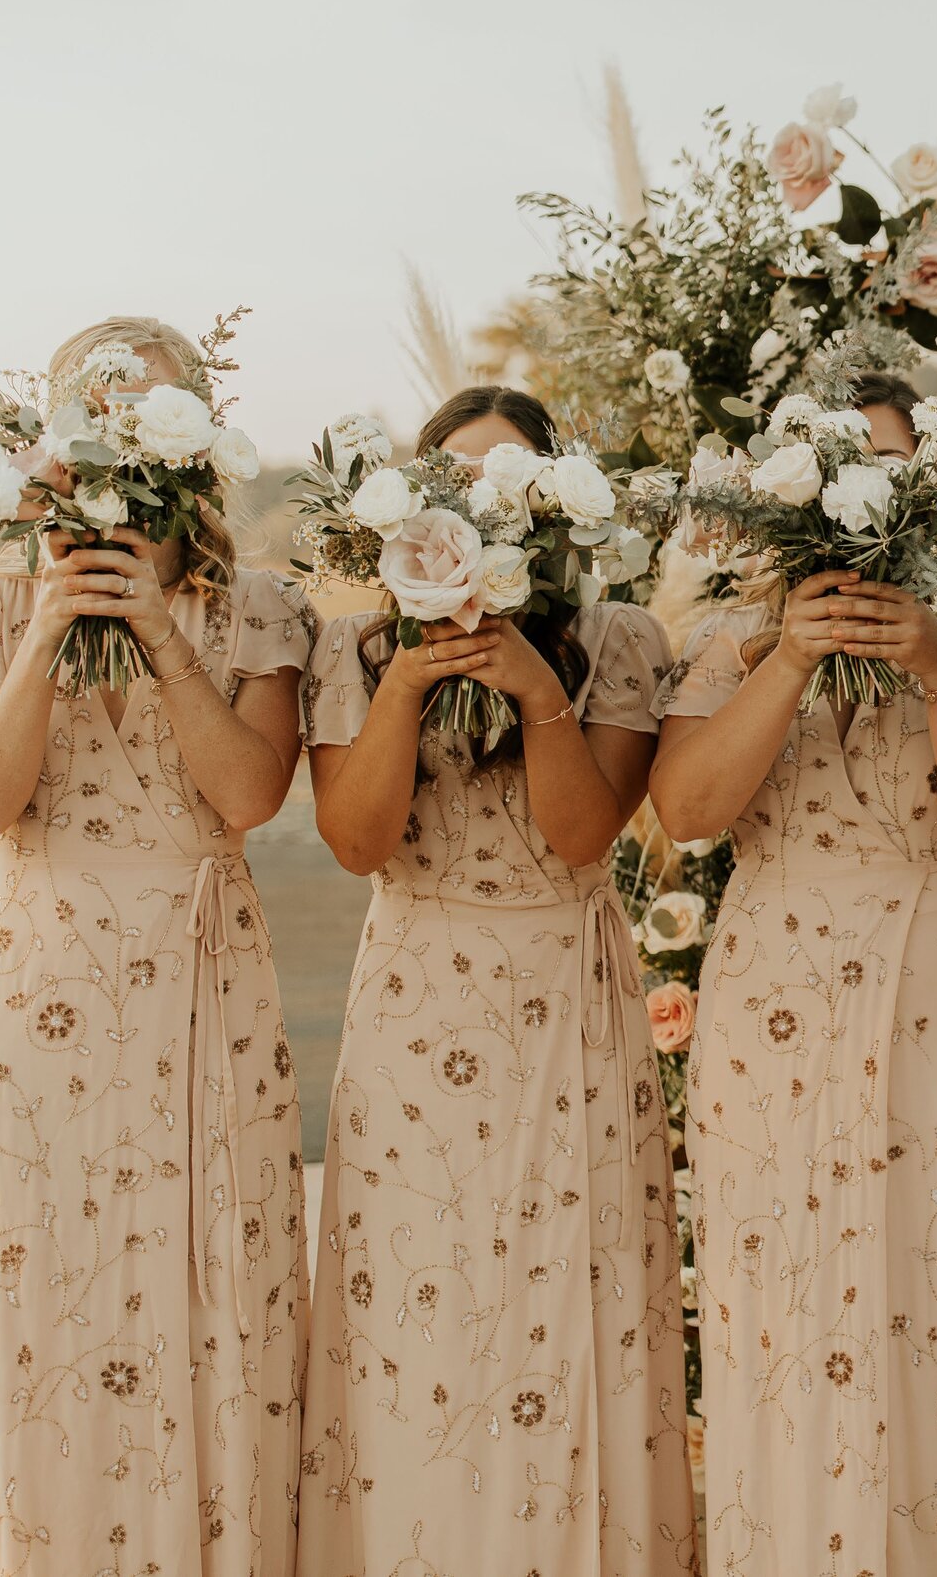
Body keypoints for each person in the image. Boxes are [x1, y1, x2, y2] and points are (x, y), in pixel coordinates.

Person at [0, 316, 317, 1576]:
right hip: (41, 995)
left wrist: (160, 632)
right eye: (99, 415)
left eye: (149, 414)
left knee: (219, 1300)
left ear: (194, 446)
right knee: (50, 1305)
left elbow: (249, 798)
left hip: (206, 987)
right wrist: (46, 627)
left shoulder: (259, 609)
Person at [649, 371, 937, 1575]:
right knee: (786, 1295)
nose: (861, 485)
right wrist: (788, 658)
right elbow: (687, 812)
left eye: (888, 460)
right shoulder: (730, 636)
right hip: (776, 987)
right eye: (838, 460)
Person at [293, 387, 695, 1575]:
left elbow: (583, 839)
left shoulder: (621, 640)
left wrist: (535, 690)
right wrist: (411, 686)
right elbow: (357, 842)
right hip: (416, 997)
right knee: (421, 1308)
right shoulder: (356, 643)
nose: (484, 499)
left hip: (566, 984)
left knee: (565, 1300)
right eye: (460, 478)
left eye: (513, 477)